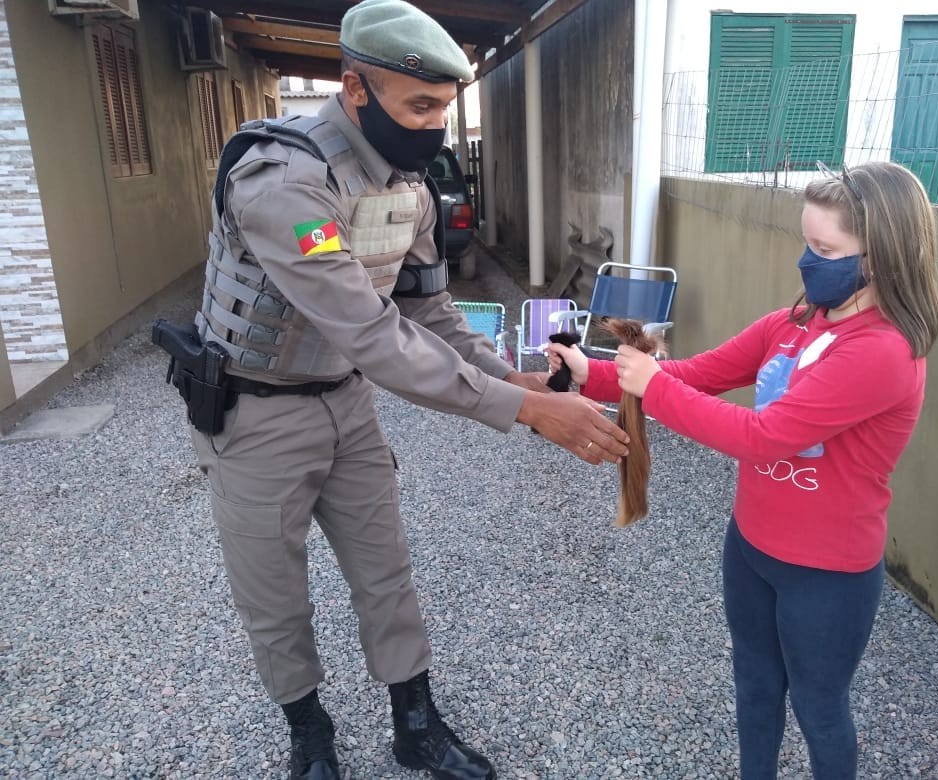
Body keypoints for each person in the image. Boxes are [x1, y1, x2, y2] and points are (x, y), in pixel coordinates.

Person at [186, 1, 630, 778]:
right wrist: (525, 408)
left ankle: (415, 724)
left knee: (384, 568)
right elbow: (372, 332)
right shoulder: (284, 182)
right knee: (275, 591)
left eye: (443, 109)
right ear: (355, 89)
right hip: (253, 413)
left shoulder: (408, 186)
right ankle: (308, 732)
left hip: (345, 401)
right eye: (417, 105)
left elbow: (427, 309)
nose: (433, 126)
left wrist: (509, 376)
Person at [549, 161, 938, 779]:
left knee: (819, 710)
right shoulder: (790, 325)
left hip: (827, 576)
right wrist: (592, 373)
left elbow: (766, 438)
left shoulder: (884, 352)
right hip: (752, 547)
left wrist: (652, 387)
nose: (807, 262)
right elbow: (696, 375)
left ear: (883, 257)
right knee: (756, 689)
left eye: (825, 249)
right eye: (805, 243)